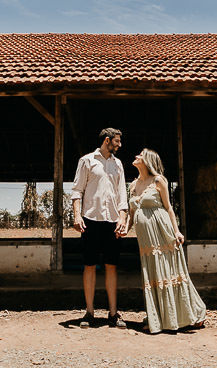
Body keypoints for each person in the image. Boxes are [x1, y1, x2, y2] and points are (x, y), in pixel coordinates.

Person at [127, 148, 206, 333]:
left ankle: (186, 315)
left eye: (140, 155)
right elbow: (132, 212)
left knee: (169, 271)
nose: (136, 156)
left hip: (162, 233)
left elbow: (169, 208)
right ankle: (159, 318)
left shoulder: (158, 180)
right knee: (153, 274)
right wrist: (125, 228)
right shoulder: (132, 185)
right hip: (146, 241)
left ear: (147, 161)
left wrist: (177, 232)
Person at [71, 127, 129, 328]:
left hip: (113, 222)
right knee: (89, 266)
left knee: (112, 266)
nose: (120, 145)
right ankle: (89, 313)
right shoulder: (87, 161)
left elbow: (123, 195)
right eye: (117, 141)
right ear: (107, 140)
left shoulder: (118, 164)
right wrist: (77, 216)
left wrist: (122, 218)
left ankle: (113, 314)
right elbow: (77, 191)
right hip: (90, 221)